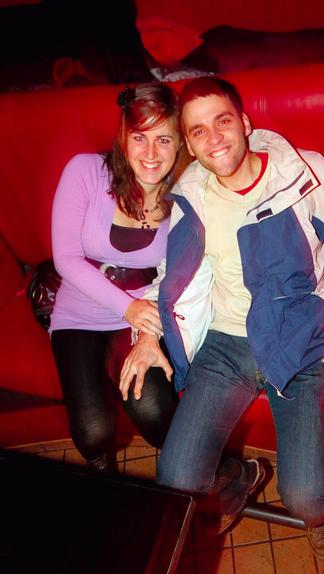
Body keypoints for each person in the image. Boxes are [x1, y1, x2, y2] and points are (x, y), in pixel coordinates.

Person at [119, 77, 324, 559]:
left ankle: (323, 513)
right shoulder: (192, 197)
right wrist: (147, 333)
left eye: (222, 121)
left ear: (244, 122)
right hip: (225, 346)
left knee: (306, 498)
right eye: (198, 131)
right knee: (176, 478)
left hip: (297, 340)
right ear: (190, 145)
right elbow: (174, 276)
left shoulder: (303, 176)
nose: (214, 138)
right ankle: (239, 481)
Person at [50, 83, 189, 472]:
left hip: (144, 314)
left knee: (154, 410)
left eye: (163, 139)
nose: (150, 153)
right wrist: (127, 307)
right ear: (124, 136)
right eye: (140, 137)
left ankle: (225, 475)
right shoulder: (85, 170)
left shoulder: (187, 194)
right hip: (78, 313)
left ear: (180, 143)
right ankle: (105, 480)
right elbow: (66, 259)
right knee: (92, 432)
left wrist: (145, 325)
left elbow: (180, 273)